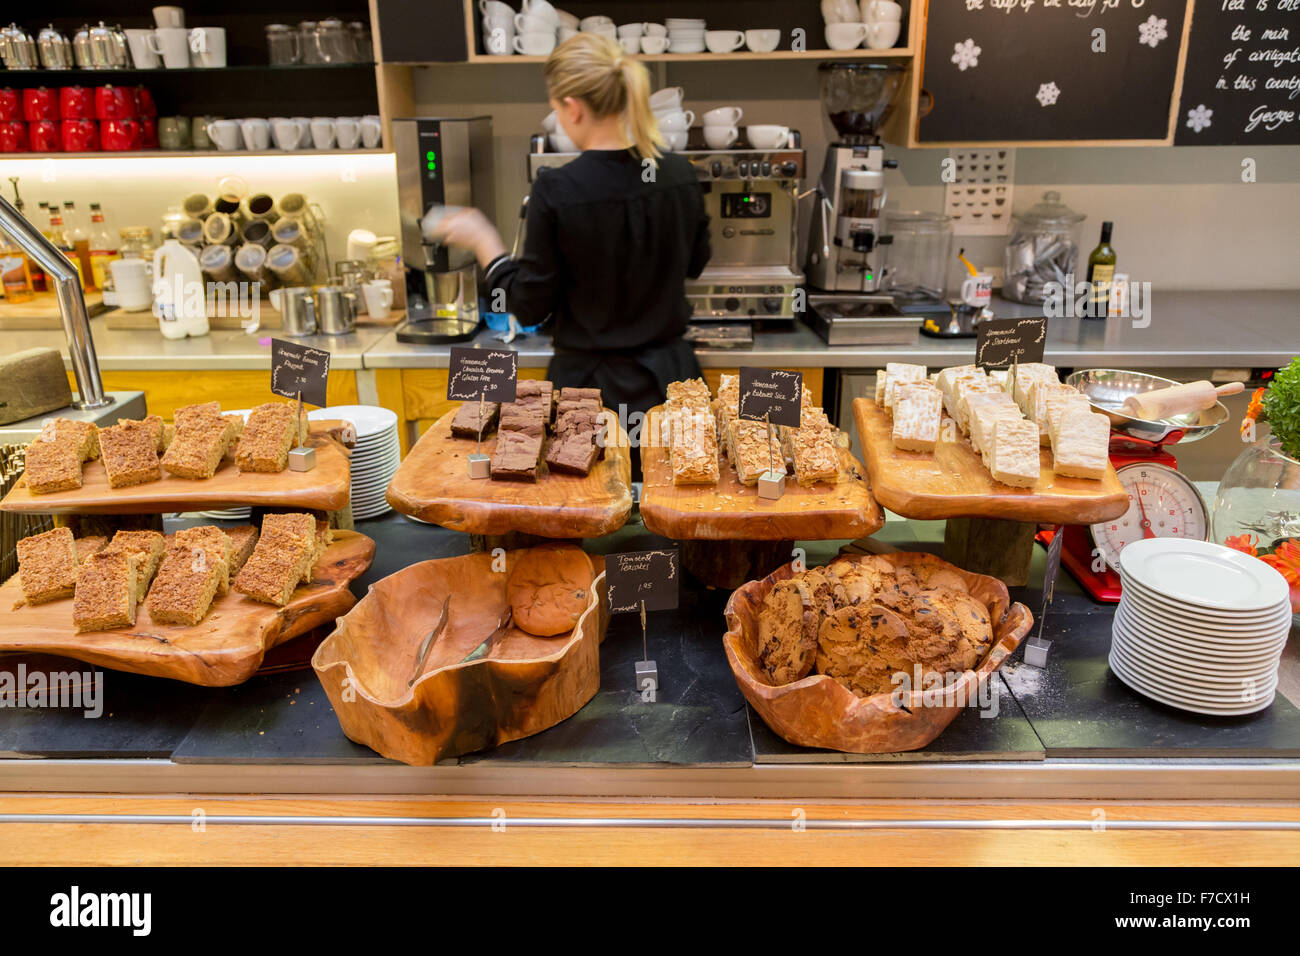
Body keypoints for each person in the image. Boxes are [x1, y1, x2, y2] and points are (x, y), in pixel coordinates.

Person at [428, 33, 711, 424]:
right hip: (671, 386)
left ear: (573, 108)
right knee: (672, 484)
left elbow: (530, 305)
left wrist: (484, 241)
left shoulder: (558, 189)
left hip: (588, 395)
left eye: (556, 109)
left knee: (587, 487)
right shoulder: (681, 175)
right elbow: (695, 263)